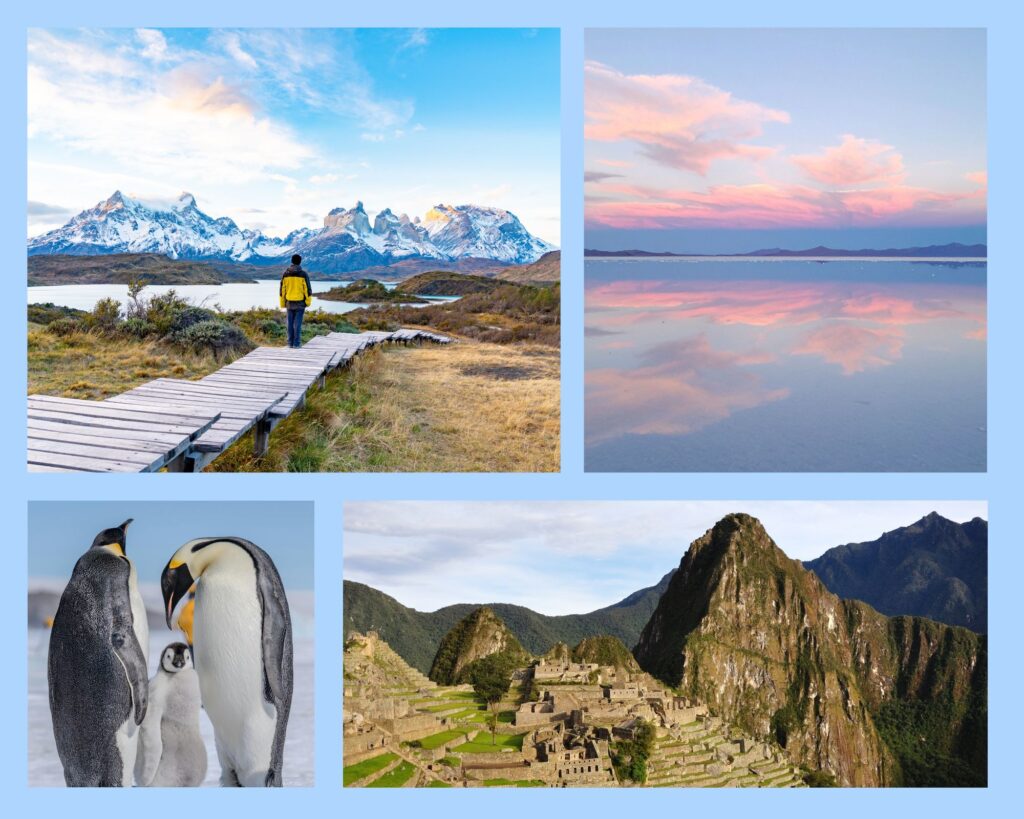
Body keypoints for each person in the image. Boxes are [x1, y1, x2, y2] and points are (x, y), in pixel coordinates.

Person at [279, 254, 312, 348]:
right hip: (300, 303)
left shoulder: (285, 274)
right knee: (297, 324)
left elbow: (282, 290)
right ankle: (296, 344)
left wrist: (282, 303)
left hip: (289, 302)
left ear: (292, 261)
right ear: (300, 262)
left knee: (289, 323)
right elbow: (308, 289)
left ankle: (290, 343)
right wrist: (308, 302)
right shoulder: (303, 274)